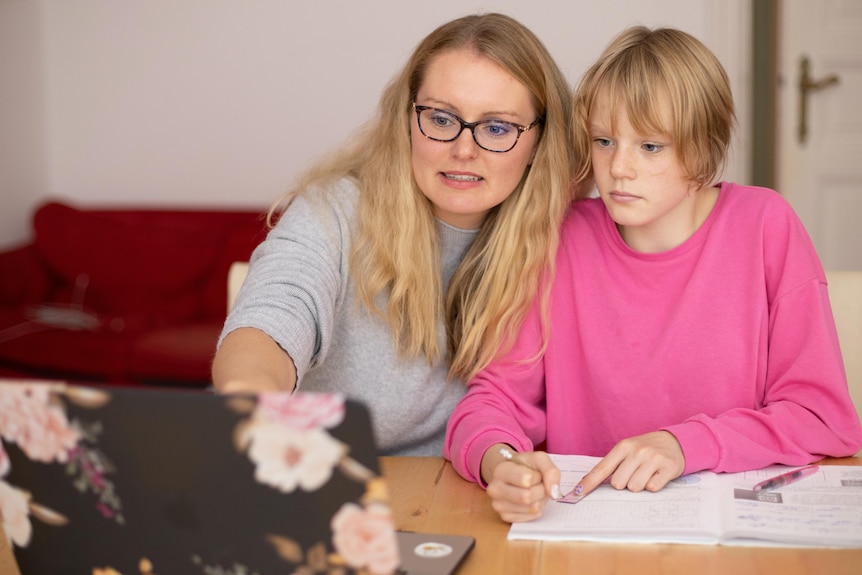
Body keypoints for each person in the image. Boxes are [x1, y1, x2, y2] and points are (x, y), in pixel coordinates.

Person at [444, 25, 862, 522]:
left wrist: (685, 445)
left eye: (651, 146)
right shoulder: (561, 237)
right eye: (604, 140)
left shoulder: (765, 226)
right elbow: (492, 401)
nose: (619, 167)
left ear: (703, 149)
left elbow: (821, 419)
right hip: (583, 533)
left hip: (727, 535)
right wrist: (502, 462)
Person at [211, 13, 576, 457]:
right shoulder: (335, 210)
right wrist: (251, 397)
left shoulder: (563, 240)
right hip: (308, 474)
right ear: (407, 119)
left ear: (539, 139)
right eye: (441, 119)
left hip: (452, 493)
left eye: (497, 127)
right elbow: (273, 315)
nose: (464, 149)